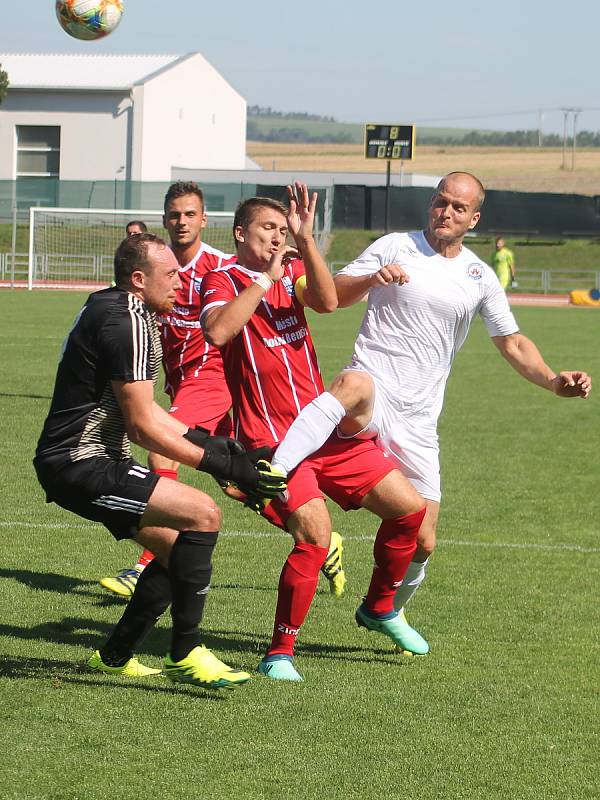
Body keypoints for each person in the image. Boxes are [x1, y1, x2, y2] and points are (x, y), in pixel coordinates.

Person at [270, 171, 592, 656]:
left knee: (423, 540)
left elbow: (513, 342)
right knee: (352, 385)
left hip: (420, 419)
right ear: (431, 204)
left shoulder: (479, 276)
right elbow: (328, 295)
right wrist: (372, 277)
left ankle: (383, 609)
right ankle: (277, 465)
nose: (446, 212)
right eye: (441, 202)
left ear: (474, 218)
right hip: (372, 393)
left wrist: (552, 381)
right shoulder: (395, 245)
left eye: (459, 208)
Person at [34, 232, 285, 689]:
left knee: (177, 549)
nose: (180, 282)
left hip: (88, 458)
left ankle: (114, 658)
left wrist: (217, 448)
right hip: (79, 461)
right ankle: (186, 651)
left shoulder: (126, 310)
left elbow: (151, 414)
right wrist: (221, 465)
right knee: (202, 514)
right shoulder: (125, 320)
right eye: (169, 274)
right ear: (137, 279)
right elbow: (142, 427)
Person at [200, 183, 428, 681]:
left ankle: (380, 608)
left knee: (410, 512)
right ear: (240, 233)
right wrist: (264, 280)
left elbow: (326, 302)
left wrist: (305, 243)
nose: (277, 237)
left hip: (324, 429)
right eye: (269, 229)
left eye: (284, 230)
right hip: (272, 440)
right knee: (315, 536)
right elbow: (219, 332)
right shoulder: (220, 279)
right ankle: (279, 654)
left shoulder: (294, 269)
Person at [101, 181, 346, 599]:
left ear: (204, 221)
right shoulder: (154, 268)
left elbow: (226, 326)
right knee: (237, 481)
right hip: (192, 381)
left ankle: (147, 563)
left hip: (211, 376)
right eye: (174, 215)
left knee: (162, 449)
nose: (182, 222)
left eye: (190, 214)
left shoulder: (218, 268)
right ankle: (320, 537)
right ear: (164, 220)